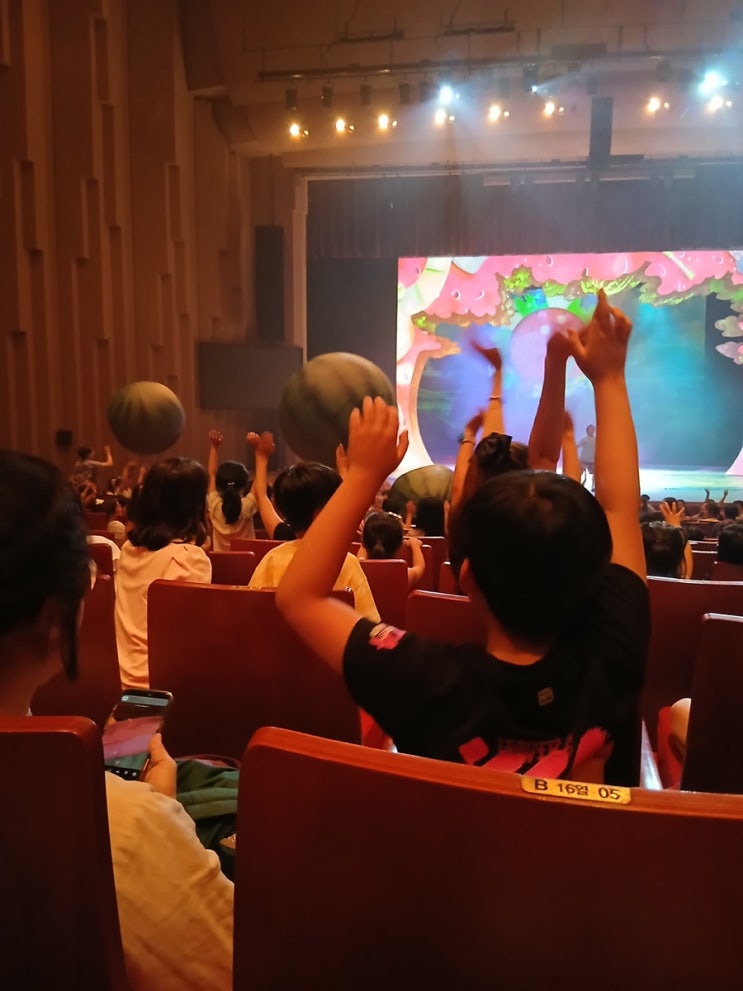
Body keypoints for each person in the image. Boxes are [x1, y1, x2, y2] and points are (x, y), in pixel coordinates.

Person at [276, 290, 650, 786]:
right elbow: (621, 510)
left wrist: (362, 476)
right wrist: (610, 379)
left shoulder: (422, 680)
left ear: (467, 576)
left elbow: (299, 597)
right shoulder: (617, 653)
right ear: (597, 574)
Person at [0, 449, 233, 990]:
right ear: (55, 618)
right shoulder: (116, 828)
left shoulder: (129, 550)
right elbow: (238, 969)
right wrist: (159, 812)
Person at [116, 458, 212, 688]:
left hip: (118, 680)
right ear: (196, 504)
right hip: (159, 687)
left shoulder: (128, 549)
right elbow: (187, 640)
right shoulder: (188, 558)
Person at [248, 460, 380, 623]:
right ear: (322, 512)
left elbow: (251, 618)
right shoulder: (346, 562)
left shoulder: (271, 560)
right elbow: (369, 626)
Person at [206, 431, 258, 551]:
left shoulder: (214, 505)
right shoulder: (247, 507)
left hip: (220, 563)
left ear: (219, 485)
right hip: (248, 563)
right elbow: (259, 481)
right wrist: (258, 451)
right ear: (244, 485)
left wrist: (214, 447)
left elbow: (212, 474)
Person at [359, 511, 426, 589]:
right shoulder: (402, 575)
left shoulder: (358, 569)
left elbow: (361, 553)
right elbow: (419, 567)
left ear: (363, 542)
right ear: (400, 544)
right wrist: (415, 546)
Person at [576, 424, 596, 490]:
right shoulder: (584, 439)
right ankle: (577, 485)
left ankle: (593, 486)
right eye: (590, 429)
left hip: (592, 460)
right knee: (580, 472)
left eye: (592, 429)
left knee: (595, 473)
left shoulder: (595, 440)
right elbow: (577, 445)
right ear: (587, 431)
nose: (591, 431)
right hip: (584, 460)